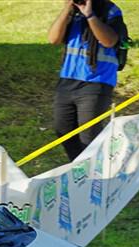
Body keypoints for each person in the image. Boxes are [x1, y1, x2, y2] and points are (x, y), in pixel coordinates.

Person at [48, 0, 124, 161]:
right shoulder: (72, 12)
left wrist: (89, 15)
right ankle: (79, 169)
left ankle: (94, 175)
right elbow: (53, 39)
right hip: (67, 80)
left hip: (97, 82)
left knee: (89, 137)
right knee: (63, 131)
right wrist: (66, 10)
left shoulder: (109, 10)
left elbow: (109, 40)